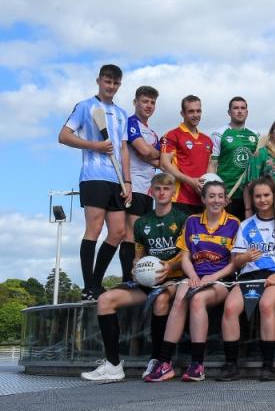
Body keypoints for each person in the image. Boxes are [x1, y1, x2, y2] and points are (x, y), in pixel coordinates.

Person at [80, 173, 186, 381]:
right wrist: (137, 266)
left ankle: (157, 360)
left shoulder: (183, 219)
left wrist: (171, 265)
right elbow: (139, 254)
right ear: (151, 191)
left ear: (173, 192)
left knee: (161, 299)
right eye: (158, 189)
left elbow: (187, 254)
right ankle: (113, 365)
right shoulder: (142, 223)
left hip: (174, 279)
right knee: (105, 300)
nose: (162, 193)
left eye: (166, 189)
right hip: (148, 280)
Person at [143, 180, 239, 382]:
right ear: (203, 199)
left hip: (221, 280)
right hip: (194, 276)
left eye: (220, 196)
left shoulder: (234, 224)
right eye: (211, 196)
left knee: (197, 300)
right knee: (180, 298)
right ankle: (165, 363)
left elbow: (234, 264)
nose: (216, 200)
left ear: (225, 200)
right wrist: (193, 275)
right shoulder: (192, 221)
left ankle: (197, 364)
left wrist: (213, 277)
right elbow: (185, 257)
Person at [58, 64, 133, 301]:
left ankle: (96, 283)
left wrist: (127, 182)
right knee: (95, 228)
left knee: (118, 232)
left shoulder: (121, 113)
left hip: (116, 180)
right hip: (94, 176)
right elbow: (64, 136)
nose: (111, 86)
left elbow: (123, 149)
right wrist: (95, 146)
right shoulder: (85, 106)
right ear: (99, 81)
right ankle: (89, 286)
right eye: (107, 81)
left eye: (115, 83)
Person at [218, 176, 275, 381]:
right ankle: (231, 364)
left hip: (274, 276)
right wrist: (244, 258)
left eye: (266, 195)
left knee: (266, 305)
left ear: (274, 196)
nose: (262, 200)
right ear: (252, 199)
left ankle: (268, 365)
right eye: (258, 196)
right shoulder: (245, 225)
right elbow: (236, 261)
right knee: (230, 308)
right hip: (249, 276)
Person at [122, 85, 161, 283]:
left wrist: (150, 153)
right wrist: (149, 153)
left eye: (152, 102)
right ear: (135, 102)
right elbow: (144, 151)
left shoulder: (153, 133)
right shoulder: (130, 122)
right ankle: (126, 279)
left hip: (148, 189)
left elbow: (161, 161)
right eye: (145, 101)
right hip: (135, 184)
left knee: (143, 237)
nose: (149, 105)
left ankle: (140, 278)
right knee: (131, 233)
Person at [160, 95, 213, 216]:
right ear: (182, 113)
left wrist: (211, 189)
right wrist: (191, 181)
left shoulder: (207, 140)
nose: (195, 115)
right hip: (179, 199)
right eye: (191, 111)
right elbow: (164, 164)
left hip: (203, 200)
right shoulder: (172, 135)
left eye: (198, 111)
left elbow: (210, 167)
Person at [208, 97, 258, 221]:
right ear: (229, 112)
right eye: (236, 108)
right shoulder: (219, 134)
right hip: (227, 194)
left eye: (243, 108)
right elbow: (212, 165)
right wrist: (216, 192)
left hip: (250, 195)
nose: (240, 111)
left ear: (247, 112)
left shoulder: (256, 135)